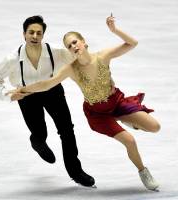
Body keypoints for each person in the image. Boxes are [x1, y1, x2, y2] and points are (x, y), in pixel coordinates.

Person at [9, 15, 161, 191]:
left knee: (155, 127)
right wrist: (24, 90)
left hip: (117, 102)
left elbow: (132, 43)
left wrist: (115, 31)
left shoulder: (102, 56)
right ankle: (143, 171)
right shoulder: (71, 69)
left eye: (75, 42)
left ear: (83, 42)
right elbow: (47, 83)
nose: (73, 47)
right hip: (97, 114)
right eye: (69, 46)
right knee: (130, 141)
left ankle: (127, 119)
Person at [0, 15, 95, 187]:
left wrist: (83, 51)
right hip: (27, 96)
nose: (35, 36)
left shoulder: (55, 51)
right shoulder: (12, 58)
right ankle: (37, 142)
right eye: (31, 32)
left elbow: (80, 60)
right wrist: (8, 94)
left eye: (39, 33)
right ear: (24, 34)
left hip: (53, 92)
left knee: (67, 130)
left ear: (43, 35)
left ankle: (76, 171)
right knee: (40, 133)